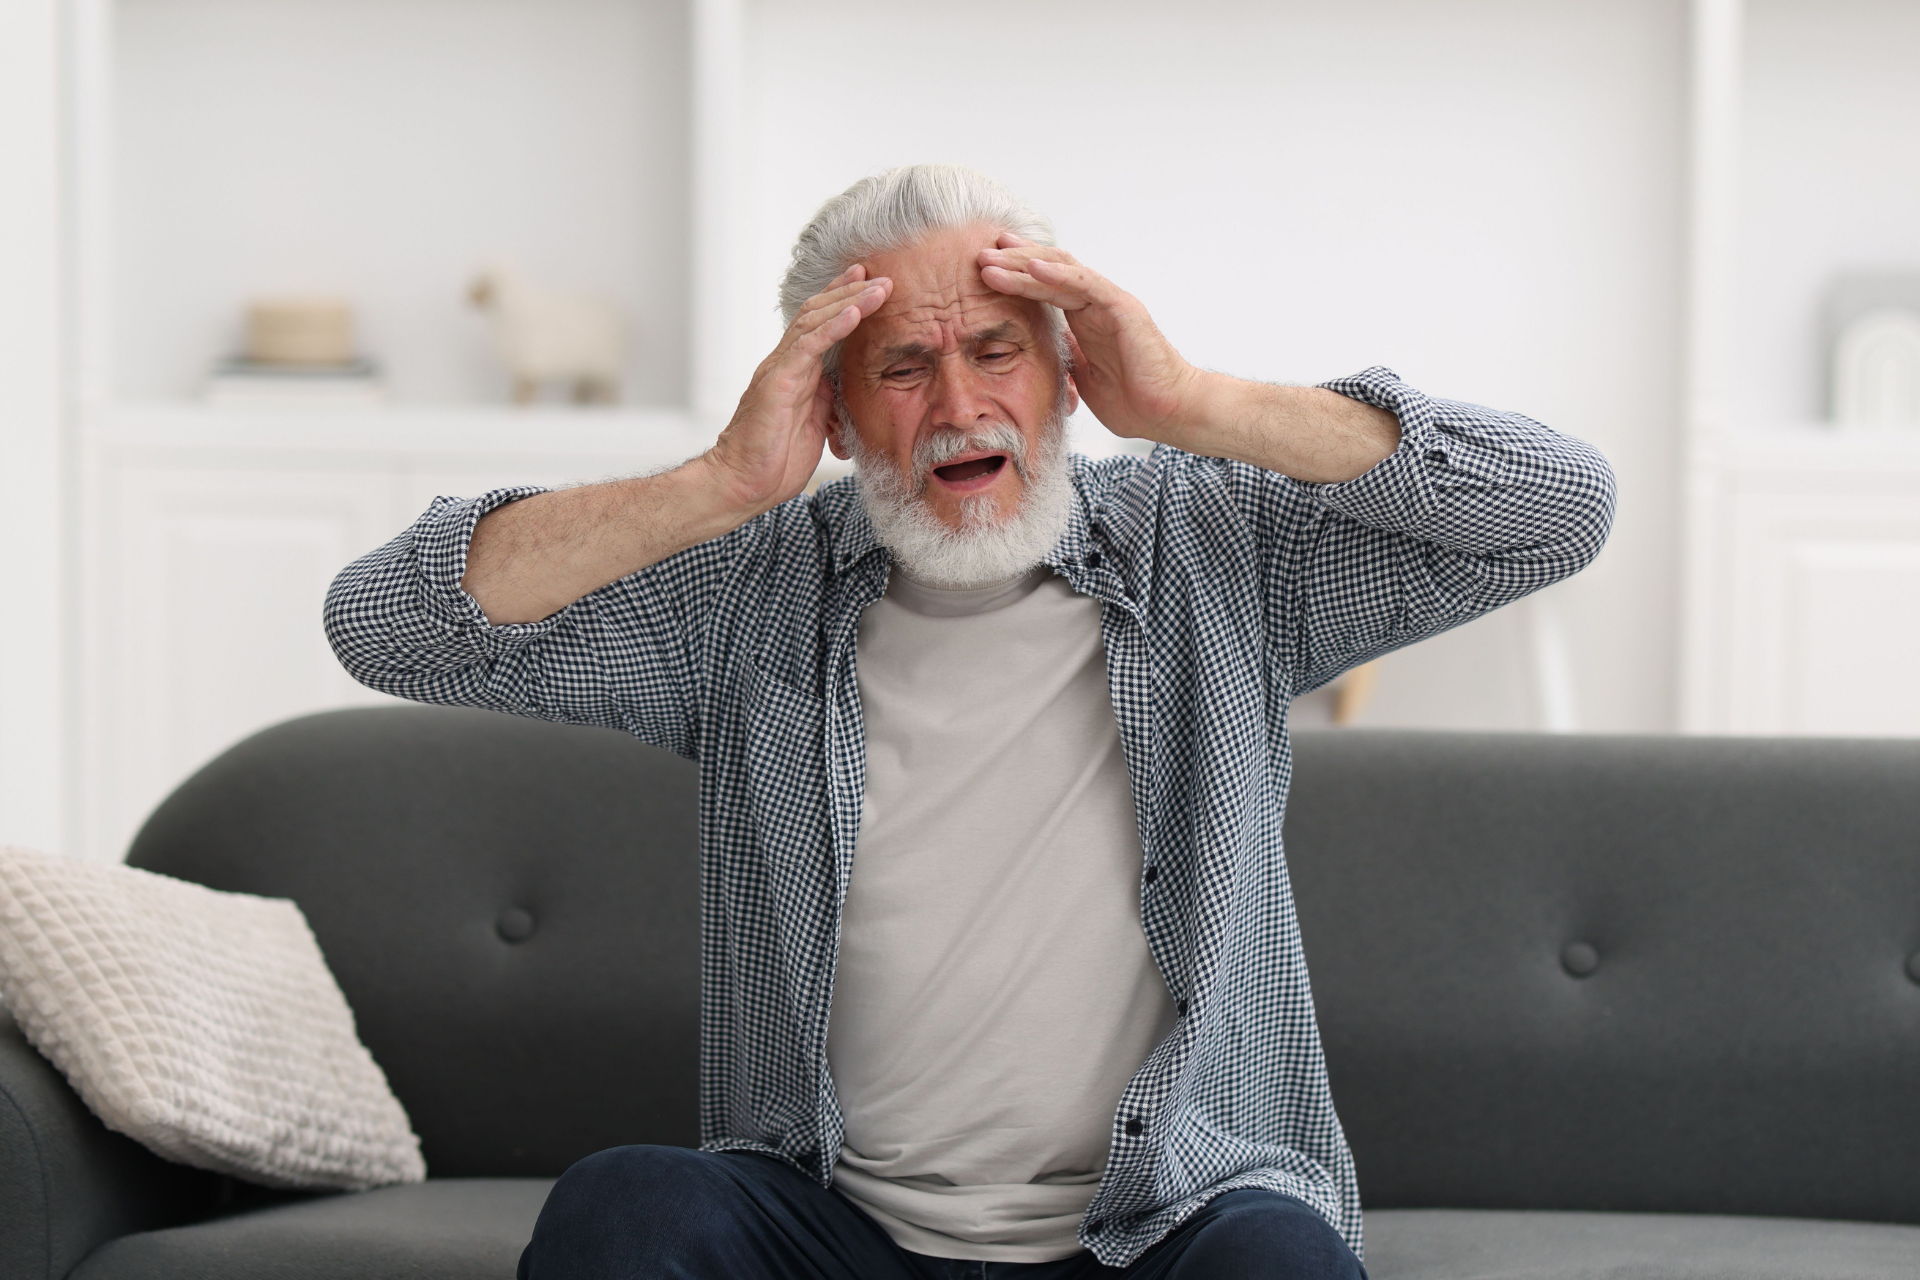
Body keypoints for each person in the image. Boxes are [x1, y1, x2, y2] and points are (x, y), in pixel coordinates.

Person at [326, 165, 1616, 1279]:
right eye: (901, 365)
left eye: (997, 349)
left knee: (1276, 1260)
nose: (957, 406)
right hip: (842, 1230)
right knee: (629, 1208)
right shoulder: (743, 598)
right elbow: (390, 620)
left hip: (1162, 1228)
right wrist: (721, 481)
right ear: (830, 410)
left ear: (1067, 373)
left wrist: (1194, 402)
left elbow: (1562, 508)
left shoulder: (1214, 548)